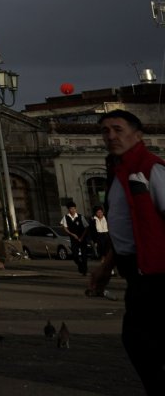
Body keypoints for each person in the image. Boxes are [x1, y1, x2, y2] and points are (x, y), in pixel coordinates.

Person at [85, 109, 165, 395]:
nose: (111, 136)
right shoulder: (119, 173)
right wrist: (106, 266)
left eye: (118, 129)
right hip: (137, 270)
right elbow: (127, 230)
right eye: (105, 131)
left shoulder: (151, 169)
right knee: (142, 341)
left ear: (138, 134)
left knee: (140, 339)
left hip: (157, 272)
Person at [62, 198, 93, 276]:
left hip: (82, 238)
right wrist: (72, 234)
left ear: (75, 209)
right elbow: (65, 228)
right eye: (70, 209)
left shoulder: (80, 217)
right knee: (75, 255)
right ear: (68, 209)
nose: (72, 210)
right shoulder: (66, 217)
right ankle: (80, 265)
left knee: (84, 255)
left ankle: (84, 270)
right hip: (73, 238)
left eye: (73, 208)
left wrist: (82, 237)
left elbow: (86, 227)